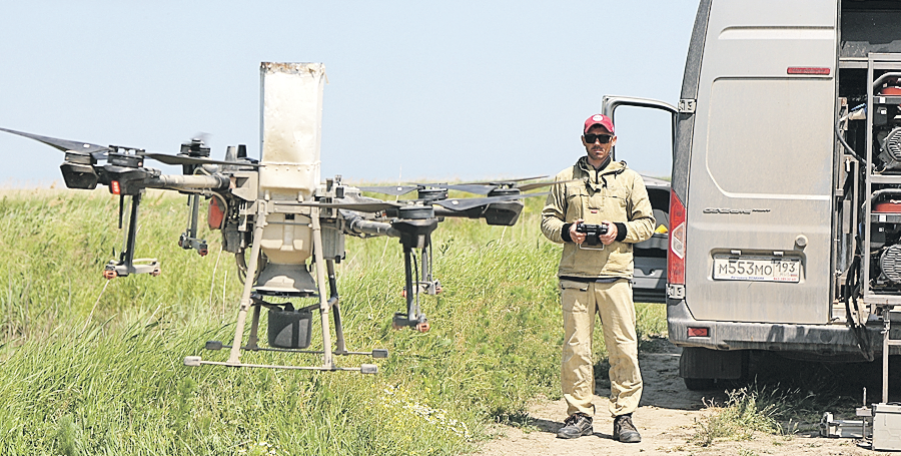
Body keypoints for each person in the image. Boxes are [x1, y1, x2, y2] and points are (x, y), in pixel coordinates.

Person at [540, 114, 655, 443]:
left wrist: (618, 231)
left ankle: (624, 418)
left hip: (615, 277)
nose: (597, 145)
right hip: (575, 278)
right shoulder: (564, 180)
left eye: (604, 138)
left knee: (623, 348)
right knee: (576, 349)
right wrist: (567, 231)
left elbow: (646, 223)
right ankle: (579, 415)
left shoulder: (630, 180)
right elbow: (547, 221)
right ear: (583, 140)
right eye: (592, 138)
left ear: (614, 141)